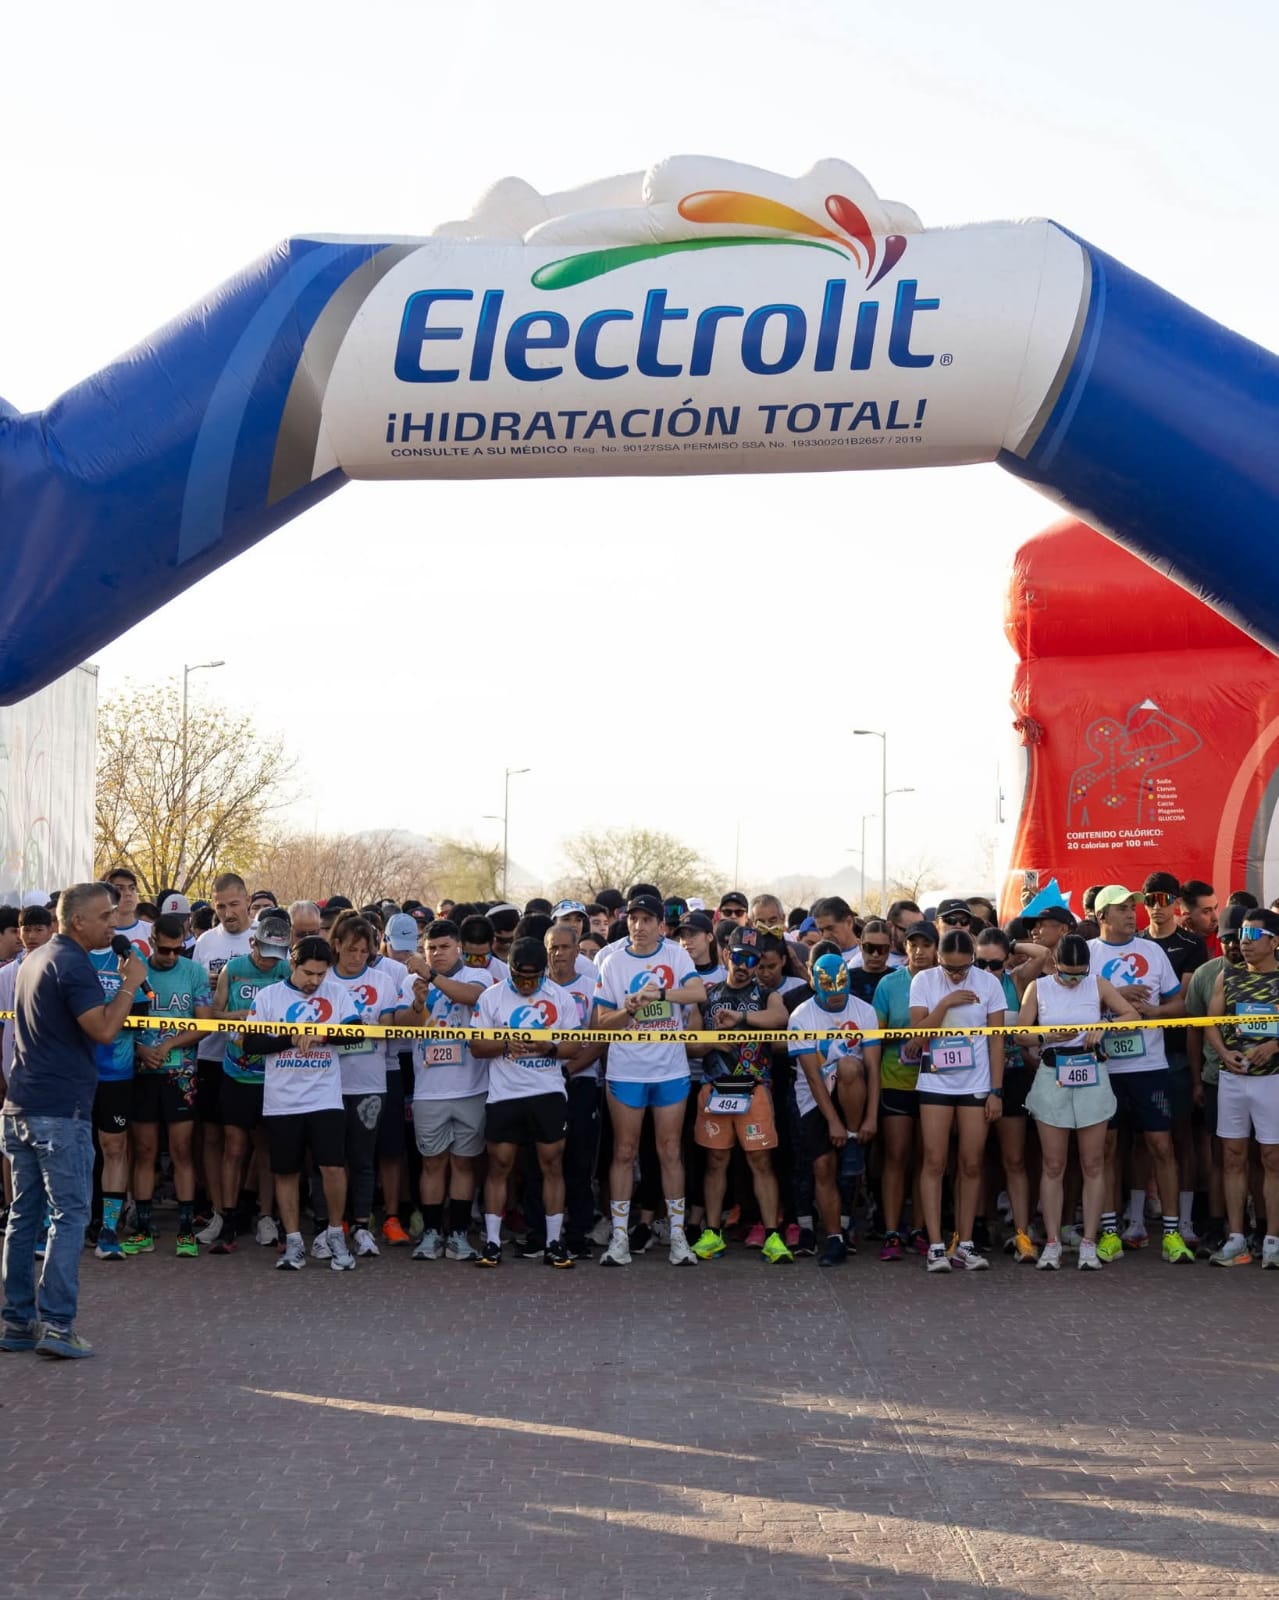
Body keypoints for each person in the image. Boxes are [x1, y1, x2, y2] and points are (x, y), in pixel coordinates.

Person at [1, 882, 149, 1358]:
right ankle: (58, 1326)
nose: (114, 924)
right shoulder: (73, 964)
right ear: (78, 920)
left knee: (24, 1215)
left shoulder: (34, 959)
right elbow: (104, 1030)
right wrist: (130, 984)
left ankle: (18, 1321)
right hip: (59, 1111)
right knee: (68, 1215)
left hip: (22, 1106)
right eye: (106, 916)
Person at [593, 892, 708, 1267]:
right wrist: (627, 1009)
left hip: (670, 1068)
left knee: (670, 1151)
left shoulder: (675, 955)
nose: (639, 926)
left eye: (646, 920)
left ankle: (677, 1237)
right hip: (626, 1070)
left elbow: (698, 992)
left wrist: (662, 993)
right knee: (624, 1152)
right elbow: (600, 1024)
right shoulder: (613, 961)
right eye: (633, 919)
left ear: (661, 924)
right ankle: (620, 1239)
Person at [1018, 935, 1141, 1270]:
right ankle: (1052, 1242)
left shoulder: (1098, 984)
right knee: (1053, 1164)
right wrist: (1046, 1035)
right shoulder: (1039, 988)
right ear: (1054, 965)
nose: (1074, 981)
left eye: (1079, 975)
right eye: (1066, 975)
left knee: (1093, 1163)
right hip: (1052, 1072)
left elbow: (1132, 1014)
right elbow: (1019, 1033)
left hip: (1091, 1072)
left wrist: (1106, 1025)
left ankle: (1089, 1241)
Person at [1087, 885, 1194, 1264]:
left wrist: (1152, 1011)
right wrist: (1115, 996)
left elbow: (1179, 1004)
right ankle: (1109, 1232)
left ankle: (1171, 1234)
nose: (1132, 914)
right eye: (1121, 909)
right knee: (1106, 1149)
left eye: (1133, 908)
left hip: (1149, 1065)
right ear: (1102, 916)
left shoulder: (1153, 951)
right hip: (1104, 1066)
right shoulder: (1087, 953)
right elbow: (1069, 1004)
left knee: (1161, 1146)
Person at [243, 936, 362, 1272]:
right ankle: (294, 1241)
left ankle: (336, 1234)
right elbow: (250, 1043)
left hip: (325, 1096)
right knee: (285, 1171)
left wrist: (321, 1035)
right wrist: (290, 1037)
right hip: (283, 1100)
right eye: (309, 973)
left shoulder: (337, 993)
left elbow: (356, 1032)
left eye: (321, 974)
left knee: (333, 1167)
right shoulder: (269, 996)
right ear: (292, 965)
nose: (315, 981)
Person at [470, 938, 583, 1267]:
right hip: (505, 1094)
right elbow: (476, 1046)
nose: (526, 985)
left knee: (552, 1164)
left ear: (544, 972)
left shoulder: (560, 997)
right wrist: (506, 1044)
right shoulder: (491, 997)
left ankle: (553, 1242)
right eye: (520, 978)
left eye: (534, 980)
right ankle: (492, 1242)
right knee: (499, 1165)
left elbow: (574, 1046)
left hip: (547, 1092)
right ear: (510, 970)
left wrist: (549, 1047)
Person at [687, 926, 792, 1263]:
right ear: (725, 955)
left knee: (760, 1162)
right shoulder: (707, 996)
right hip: (715, 1087)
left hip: (754, 1088)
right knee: (715, 1162)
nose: (744, 965)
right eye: (739, 957)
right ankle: (712, 1233)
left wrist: (741, 1018)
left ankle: (772, 1235)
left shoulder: (767, 995)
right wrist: (713, 1042)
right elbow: (690, 1044)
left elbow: (781, 1018)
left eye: (752, 959)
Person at [323, 916, 420, 1260]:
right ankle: (336, 1222)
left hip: (372, 1082)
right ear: (336, 945)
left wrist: (415, 1008)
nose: (357, 957)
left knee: (366, 1158)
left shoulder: (382, 980)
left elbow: (390, 1026)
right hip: (328, 1083)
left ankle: (365, 1224)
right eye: (351, 949)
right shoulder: (324, 979)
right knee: (334, 1158)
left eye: (364, 951)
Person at [910, 928, 1005, 1273]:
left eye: (962, 969)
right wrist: (946, 1003)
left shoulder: (989, 984)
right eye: (949, 968)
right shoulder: (924, 981)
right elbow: (919, 1035)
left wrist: (996, 1091)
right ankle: (936, 1245)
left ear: (973, 961)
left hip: (975, 1083)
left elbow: (997, 1040)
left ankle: (965, 1243)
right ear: (938, 959)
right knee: (934, 1161)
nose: (955, 975)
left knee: (971, 1163)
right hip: (935, 1081)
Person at [125, 913, 214, 1257]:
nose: (172, 956)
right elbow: (119, 1020)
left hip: (181, 1073)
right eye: (165, 950)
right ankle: (143, 1229)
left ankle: (186, 1231)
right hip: (142, 1072)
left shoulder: (194, 973)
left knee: (181, 1151)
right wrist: (140, 1049)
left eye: (179, 950)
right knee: (144, 1152)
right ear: (152, 940)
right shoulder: (135, 971)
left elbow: (205, 1025)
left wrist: (168, 1045)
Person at [409, 919, 497, 1263]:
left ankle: (459, 1234)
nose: (437, 953)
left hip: (471, 1088)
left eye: (444, 947)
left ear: (459, 947)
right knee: (432, 1163)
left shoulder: (478, 975)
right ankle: (432, 1233)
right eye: (431, 948)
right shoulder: (410, 980)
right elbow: (401, 1027)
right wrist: (417, 1005)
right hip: (429, 1090)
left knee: (464, 1163)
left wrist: (431, 977)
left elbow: (471, 997)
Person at [786, 950, 881, 1267]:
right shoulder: (801, 1016)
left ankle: (853, 1141)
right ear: (815, 984)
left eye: (841, 990)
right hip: (814, 1097)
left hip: (854, 1090)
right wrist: (832, 1122)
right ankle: (834, 1238)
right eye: (830, 991)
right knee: (823, 1166)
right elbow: (812, 1077)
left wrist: (870, 1118)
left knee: (850, 1065)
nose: (837, 997)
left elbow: (874, 1068)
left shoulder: (865, 1011)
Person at [209, 909, 293, 1252]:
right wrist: (239, 1015)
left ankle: (266, 1215)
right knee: (234, 1147)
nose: (269, 962)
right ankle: (227, 1217)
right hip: (237, 1071)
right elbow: (213, 1014)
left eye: (276, 955)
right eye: (264, 953)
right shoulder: (233, 969)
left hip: (274, 1073)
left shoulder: (287, 971)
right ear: (252, 944)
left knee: (267, 1149)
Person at [1204, 909, 1279, 1268]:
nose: (1244, 942)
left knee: (1272, 1158)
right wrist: (1223, 1052)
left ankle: (1273, 1240)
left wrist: (1274, 1046)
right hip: (1232, 1079)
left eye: (1254, 935)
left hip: (1272, 1080)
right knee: (1232, 1156)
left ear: (1274, 941)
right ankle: (1236, 1237)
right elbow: (1210, 1022)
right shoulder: (1228, 976)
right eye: (1243, 934)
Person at [192, 873, 253, 1244]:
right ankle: (219, 1211)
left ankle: (258, 1211)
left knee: (255, 1139)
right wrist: (211, 986)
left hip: (255, 1054)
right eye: (220, 907)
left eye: (233, 904)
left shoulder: (264, 936)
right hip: (212, 1052)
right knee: (213, 1136)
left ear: (247, 900)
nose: (228, 913)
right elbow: (194, 991)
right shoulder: (205, 942)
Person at [873, 920, 937, 1259]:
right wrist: (907, 1039)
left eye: (926, 945)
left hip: (936, 1080)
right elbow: (877, 1035)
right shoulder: (889, 983)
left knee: (927, 1158)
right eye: (913, 944)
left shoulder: (943, 981)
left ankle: (920, 1229)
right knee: (896, 1156)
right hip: (896, 1078)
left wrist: (923, 1039)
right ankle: (891, 1232)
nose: (919, 951)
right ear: (905, 947)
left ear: (936, 949)